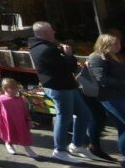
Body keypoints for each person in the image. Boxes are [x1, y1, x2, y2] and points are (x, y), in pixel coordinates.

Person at [29, 21, 97, 163]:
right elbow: (68, 67)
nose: (54, 32)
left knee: (84, 114)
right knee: (64, 117)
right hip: (59, 87)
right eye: (52, 30)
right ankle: (59, 150)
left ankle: (77, 145)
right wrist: (68, 55)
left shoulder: (42, 46)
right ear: (45, 33)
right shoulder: (45, 49)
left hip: (67, 85)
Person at [88, 33, 125, 163]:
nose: (118, 46)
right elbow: (101, 79)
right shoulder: (97, 57)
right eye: (115, 44)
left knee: (122, 126)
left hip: (120, 95)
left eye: (119, 43)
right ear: (105, 45)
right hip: (110, 97)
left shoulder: (116, 56)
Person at [0, 78, 37, 158]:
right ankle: (8, 144)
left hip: (21, 121)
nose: (15, 90)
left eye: (16, 87)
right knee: (10, 133)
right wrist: (1, 116)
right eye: (12, 88)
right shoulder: (1, 99)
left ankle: (27, 148)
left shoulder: (20, 99)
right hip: (8, 122)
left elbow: (25, 111)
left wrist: (28, 120)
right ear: (5, 89)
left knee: (24, 134)